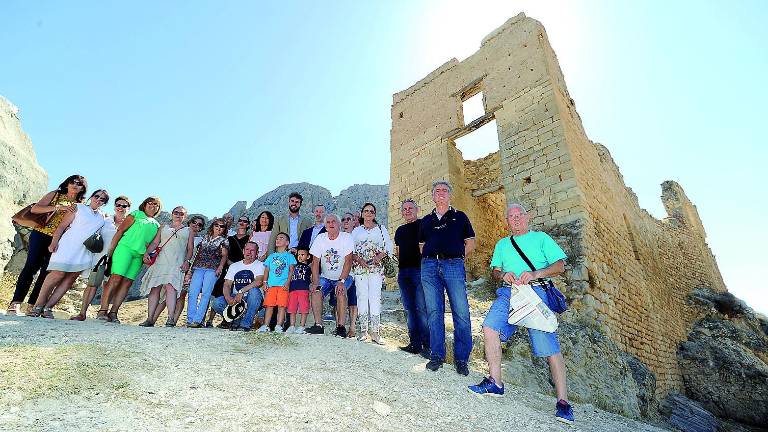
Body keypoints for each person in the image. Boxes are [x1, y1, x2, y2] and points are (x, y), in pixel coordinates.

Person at [468, 203, 574, 424]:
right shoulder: (502, 244)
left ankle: (563, 402)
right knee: (490, 328)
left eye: (519, 215)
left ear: (527, 218)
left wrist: (536, 273)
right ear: (506, 221)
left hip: (537, 293)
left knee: (549, 347)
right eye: (510, 217)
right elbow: (495, 271)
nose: (515, 219)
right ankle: (495, 383)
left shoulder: (541, 238)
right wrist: (504, 274)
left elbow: (560, 266)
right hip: (509, 293)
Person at [7, 174, 86, 315]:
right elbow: (35, 209)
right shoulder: (55, 195)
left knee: (46, 272)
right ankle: (15, 303)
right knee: (31, 267)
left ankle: (33, 305)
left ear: (82, 188)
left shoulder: (81, 205)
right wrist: (57, 207)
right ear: (67, 183)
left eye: (79, 184)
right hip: (41, 234)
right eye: (72, 182)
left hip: (61, 240)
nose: (75, 185)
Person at [419, 180, 475, 376]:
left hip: (453, 265)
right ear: (433, 196)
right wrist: (430, 260)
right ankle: (437, 356)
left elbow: (470, 243)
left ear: (449, 195)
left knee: (461, 312)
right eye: (437, 191)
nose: (441, 193)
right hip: (429, 267)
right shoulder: (426, 221)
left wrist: (456, 258)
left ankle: (461, 359)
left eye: (444, 191)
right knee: (434, 312)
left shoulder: (460, 217)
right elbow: (421, 246)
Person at [28, 190, 109, 317]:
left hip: (84, 251)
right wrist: (54, 242)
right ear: (91, 197)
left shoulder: (102, 216)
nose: (98, 199)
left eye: (102, 199)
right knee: (57, 274)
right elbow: (61, 226)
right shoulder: (78, 207)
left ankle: (48, 308)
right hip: (68, 246)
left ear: (104, 203)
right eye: (96, 196)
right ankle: (37, 306)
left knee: (70, 279)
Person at [98, 196, 162, 323]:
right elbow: (120, 230)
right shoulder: (136, 214)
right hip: (125, 249)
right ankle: (103, 310)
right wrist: (111, 249)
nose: (152, 206)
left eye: (156, 204)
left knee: (127, 282)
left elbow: (152, 244)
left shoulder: (157, 225)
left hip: (138, 256)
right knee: (115, 278)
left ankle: (114, 312)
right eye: (150, 203)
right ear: (144, 204)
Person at [71, 195, 131, 321]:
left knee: (109, 285)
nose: (120, 208)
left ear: (128, 208)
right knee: (92, 284)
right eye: (118, 205)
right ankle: (82, 313)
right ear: (114, 206)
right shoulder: (105, 220)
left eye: (124, 206)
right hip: (101, 257)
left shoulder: (131, 224)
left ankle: (103, 312)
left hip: (119, 259)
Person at [138, 206, 195, 327]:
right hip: (160, 261)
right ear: (172, 214)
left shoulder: (189, 230)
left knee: (171, 288)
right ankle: (149, 319)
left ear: (185, 216)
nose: (178, 215)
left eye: (181, 213)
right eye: (176, 212)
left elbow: (190, 248)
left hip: (176, 263)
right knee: (155, 288)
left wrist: (187, 261)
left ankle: (170, 319)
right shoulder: (163, 227)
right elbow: (155, 242)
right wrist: (147, 253)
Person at [350, 203, 393, 344]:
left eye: (371, 211)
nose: (368, 213)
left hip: (376, 268)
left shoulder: (381, 229)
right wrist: (358, 259)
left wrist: (378, 257)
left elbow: (388, 247)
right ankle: (363, 331)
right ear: (362, 214)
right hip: (360, 269)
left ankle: (375, 332)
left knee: (375, 297)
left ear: (375, 214)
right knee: (362, 297)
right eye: (366, 211)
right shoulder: (356, 231)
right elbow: (351, 250)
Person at [307, 214, 354, 336]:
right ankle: (318, 325)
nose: (331, 224)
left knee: (340, 291)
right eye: (328, 222)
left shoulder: (346, 238)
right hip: (326, 276)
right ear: (325, 226)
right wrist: (316, 282)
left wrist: (341, 281)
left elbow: (349, 261)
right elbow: (315, 262)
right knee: (316, 291)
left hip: (344, 276)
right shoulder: (320, 238)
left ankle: (341, 327)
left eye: (334, 221)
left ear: (339, 224)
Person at [394, 199, 430, 358]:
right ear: (402, 212)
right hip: (404, 273)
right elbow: (398, 252)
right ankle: (414, 344)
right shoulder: (400, 230)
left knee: (422, 309)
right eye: (405, 209)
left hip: (420, 271)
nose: (407, 211)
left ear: (417, 209)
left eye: (410, 208)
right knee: (409, 309)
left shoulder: (424, 225)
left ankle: (427, 346)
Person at [206, 215, 251, 328]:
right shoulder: (230, 239)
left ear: (248, 225)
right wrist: (232, 265)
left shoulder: (250, 238)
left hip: (243, 270)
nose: (242, 222)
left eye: (244, 221)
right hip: (229, 268)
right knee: (220, 292)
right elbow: (224, 254)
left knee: (237, 293)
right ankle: (212, 320)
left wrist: (240, 266)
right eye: (240, 220)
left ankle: (231, 319)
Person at [211, 242, 265, 331]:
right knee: (216, 303)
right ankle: (236, 320)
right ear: (243, 251)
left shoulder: (260, 265)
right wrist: (228, 299)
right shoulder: (234, 266)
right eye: (247, 249)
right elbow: (227, 284)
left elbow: (259, 282)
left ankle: (245, 324)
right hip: (236, 299)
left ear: (257, 253)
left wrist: (241, 291)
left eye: (252, 250)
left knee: (254, 291)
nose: (249, 252)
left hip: (252, 299)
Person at [186, 218, 228, 328]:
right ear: (212, 226)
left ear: (224, 229)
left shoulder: (224, 240)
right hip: (198, 267)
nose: (219, 227)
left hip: (212, 269)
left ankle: (198, 320)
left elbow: (224, 256)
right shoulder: (205, 238)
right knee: (192, 293)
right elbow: (197, 254)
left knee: (206, 293)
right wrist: (190, 269)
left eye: (222, 226)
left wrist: (220, 267)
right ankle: (190, 319)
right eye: (217, 225)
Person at [259, 232, 297, 332]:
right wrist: (265, 282)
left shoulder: (290, 256)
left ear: (287, 242)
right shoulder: (271, 256)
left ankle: (279, 325)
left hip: (282, 285)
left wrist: (287, 283)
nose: (278, 240)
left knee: (282, 306)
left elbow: (291, 270)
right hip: (271, 285)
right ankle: (266, 325)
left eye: (281, 238)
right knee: (269, 305)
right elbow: (267, 270)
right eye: (277, 238)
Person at [339, 212, 359, 337]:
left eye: (348, 219)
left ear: (354, 221)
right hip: (340, 274)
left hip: (355, 273)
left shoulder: (358, 237)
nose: (346, 221)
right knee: (338, 299)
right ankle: (339, 326)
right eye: (343, 219)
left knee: (353, 302)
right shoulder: (338, 237)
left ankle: (352, 328)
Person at [286, 248, 312, 333]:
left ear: (308, 257)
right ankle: (292, 325)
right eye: (298, 255)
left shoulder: (309, 267)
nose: (300, 256)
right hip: (293, 289)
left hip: (303, 289)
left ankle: (302, 326)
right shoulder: (294, 266)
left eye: (302, 255)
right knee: (292, 308)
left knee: (304, 308)